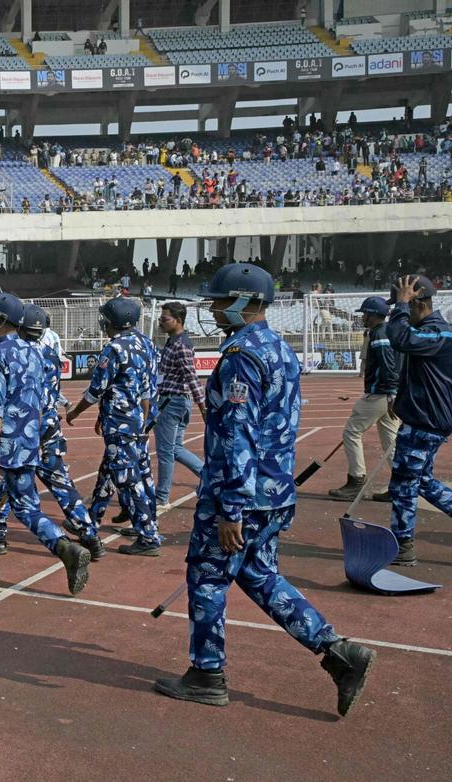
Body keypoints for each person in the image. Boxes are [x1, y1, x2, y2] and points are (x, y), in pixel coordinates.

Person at [155, 263, 376, 717]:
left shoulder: (241, 356)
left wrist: (230, 507)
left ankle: (207, 674)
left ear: (243, 301)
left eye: (219, 301)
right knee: (259, 575)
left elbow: (237, 435)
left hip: (241, 493)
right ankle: (338, 651)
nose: (213, 309)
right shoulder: (277, 348)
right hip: (275, 491)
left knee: (208, 576)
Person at [0, 293, 91, 595]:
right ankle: (65, 548)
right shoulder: (35, 353)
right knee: (27, 507)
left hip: (2, 445)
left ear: (2, 319)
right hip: (28, 443)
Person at [66, 297, 161, 557]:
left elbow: (97, 389)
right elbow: (147, 387)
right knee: (118, 471)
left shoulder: (114, 349)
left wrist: (75, 411)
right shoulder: (147, 343)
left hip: (121, 423)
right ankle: (90, 522)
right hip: (140, 420)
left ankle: (148, 535)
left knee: (128, 479)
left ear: (110, 322)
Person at [15, 304, 100, 554]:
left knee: (4, 484)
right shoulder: (51, 356)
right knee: (61, 483)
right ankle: (89, 534)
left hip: (24, 430)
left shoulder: (15, 356)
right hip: (50, 428)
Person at [383, 275, 452, 566]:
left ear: (418, 303)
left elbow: (399, 338)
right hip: (427, 419)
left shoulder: (437, 334)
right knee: (422, 481)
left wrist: (400, 304)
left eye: (407, 306)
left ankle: (402, 545)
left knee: (403, 484)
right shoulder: (429, 332)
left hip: (425, 423)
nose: (401, 312)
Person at [329, 296, 399, 500]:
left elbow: (387, 364)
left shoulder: (379, 334)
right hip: (389, 395)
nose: (363, 317)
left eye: (365, 313)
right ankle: (400, 485)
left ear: (373, 315)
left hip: (379, 394)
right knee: (391, 442)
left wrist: (391, 391)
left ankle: (356, 481)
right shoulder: (388, 332)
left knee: (351, 433)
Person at [153, 301, 205, 510]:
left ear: (178, 320)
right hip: (176, 401)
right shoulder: (173, 341)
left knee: (166, 452)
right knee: (175, 449)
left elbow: (191, 377)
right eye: (161, 319)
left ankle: (161, 498)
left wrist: (203, 406)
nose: (161, 322)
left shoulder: (181, 345)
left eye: (165, 319)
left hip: (172, 401)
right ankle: (211, 479)